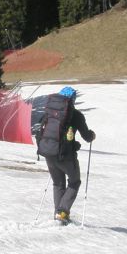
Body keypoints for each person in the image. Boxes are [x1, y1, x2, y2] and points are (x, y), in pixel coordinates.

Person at [39, 86, 95, 224]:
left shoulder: (50, 113)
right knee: (74, 182)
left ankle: (58, 214)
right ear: (73, 100)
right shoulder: (76, 115)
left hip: (48, 152)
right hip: (66, 156)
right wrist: (92, 135)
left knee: (58, 183)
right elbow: (87, 136)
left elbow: (40, 130)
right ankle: (62, 212)